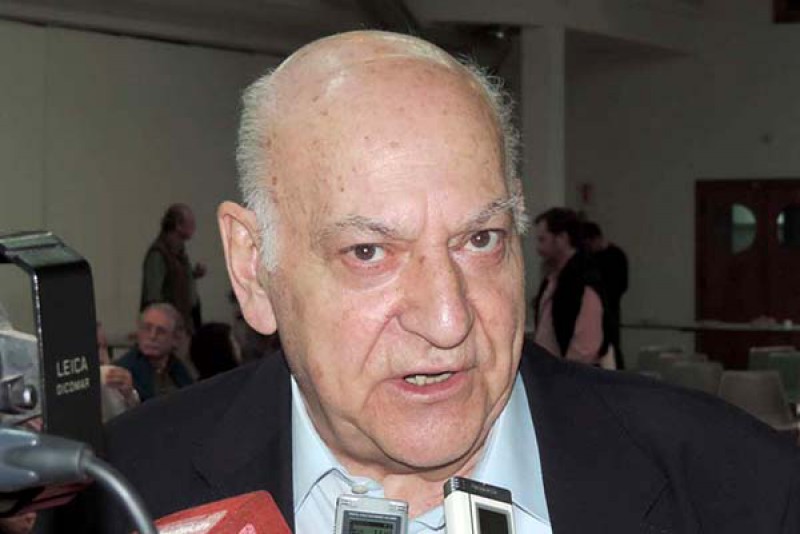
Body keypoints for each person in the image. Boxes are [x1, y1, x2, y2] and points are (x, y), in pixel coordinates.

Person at [98, 31, 800, 534]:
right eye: (369, 251)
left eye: (481, 239)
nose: (447, 320)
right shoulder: (116, 492)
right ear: (253, 267)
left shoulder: (742, 485)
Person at [532, 207, 607, 364]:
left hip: (570, 372)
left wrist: (565, 372)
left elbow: (585, 347)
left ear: (562, 238)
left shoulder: (583, 280)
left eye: (543, 240)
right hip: (552, 369)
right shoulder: (552, 278)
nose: (538, 248)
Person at [140, 203, 206, 332]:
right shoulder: (158, 254)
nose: (194, 226)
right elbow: (153, 297)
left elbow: (174, 279)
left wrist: (192, 275)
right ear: (178, 225)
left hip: (186, 322)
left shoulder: (178, 253)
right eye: (190, 223)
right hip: (170, 328)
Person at [115, 303, 194, 401]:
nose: (152, 336)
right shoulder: (123, 370)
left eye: (161, 331)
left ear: (175, 339)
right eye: (147, 328)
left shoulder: (179, 370)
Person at [583, 221, 629, 369]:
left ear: (595, 239)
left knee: (611, 346)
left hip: (610, 309)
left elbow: (621, 284)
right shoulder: (591, 258)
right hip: (601, 309)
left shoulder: (615, 256)